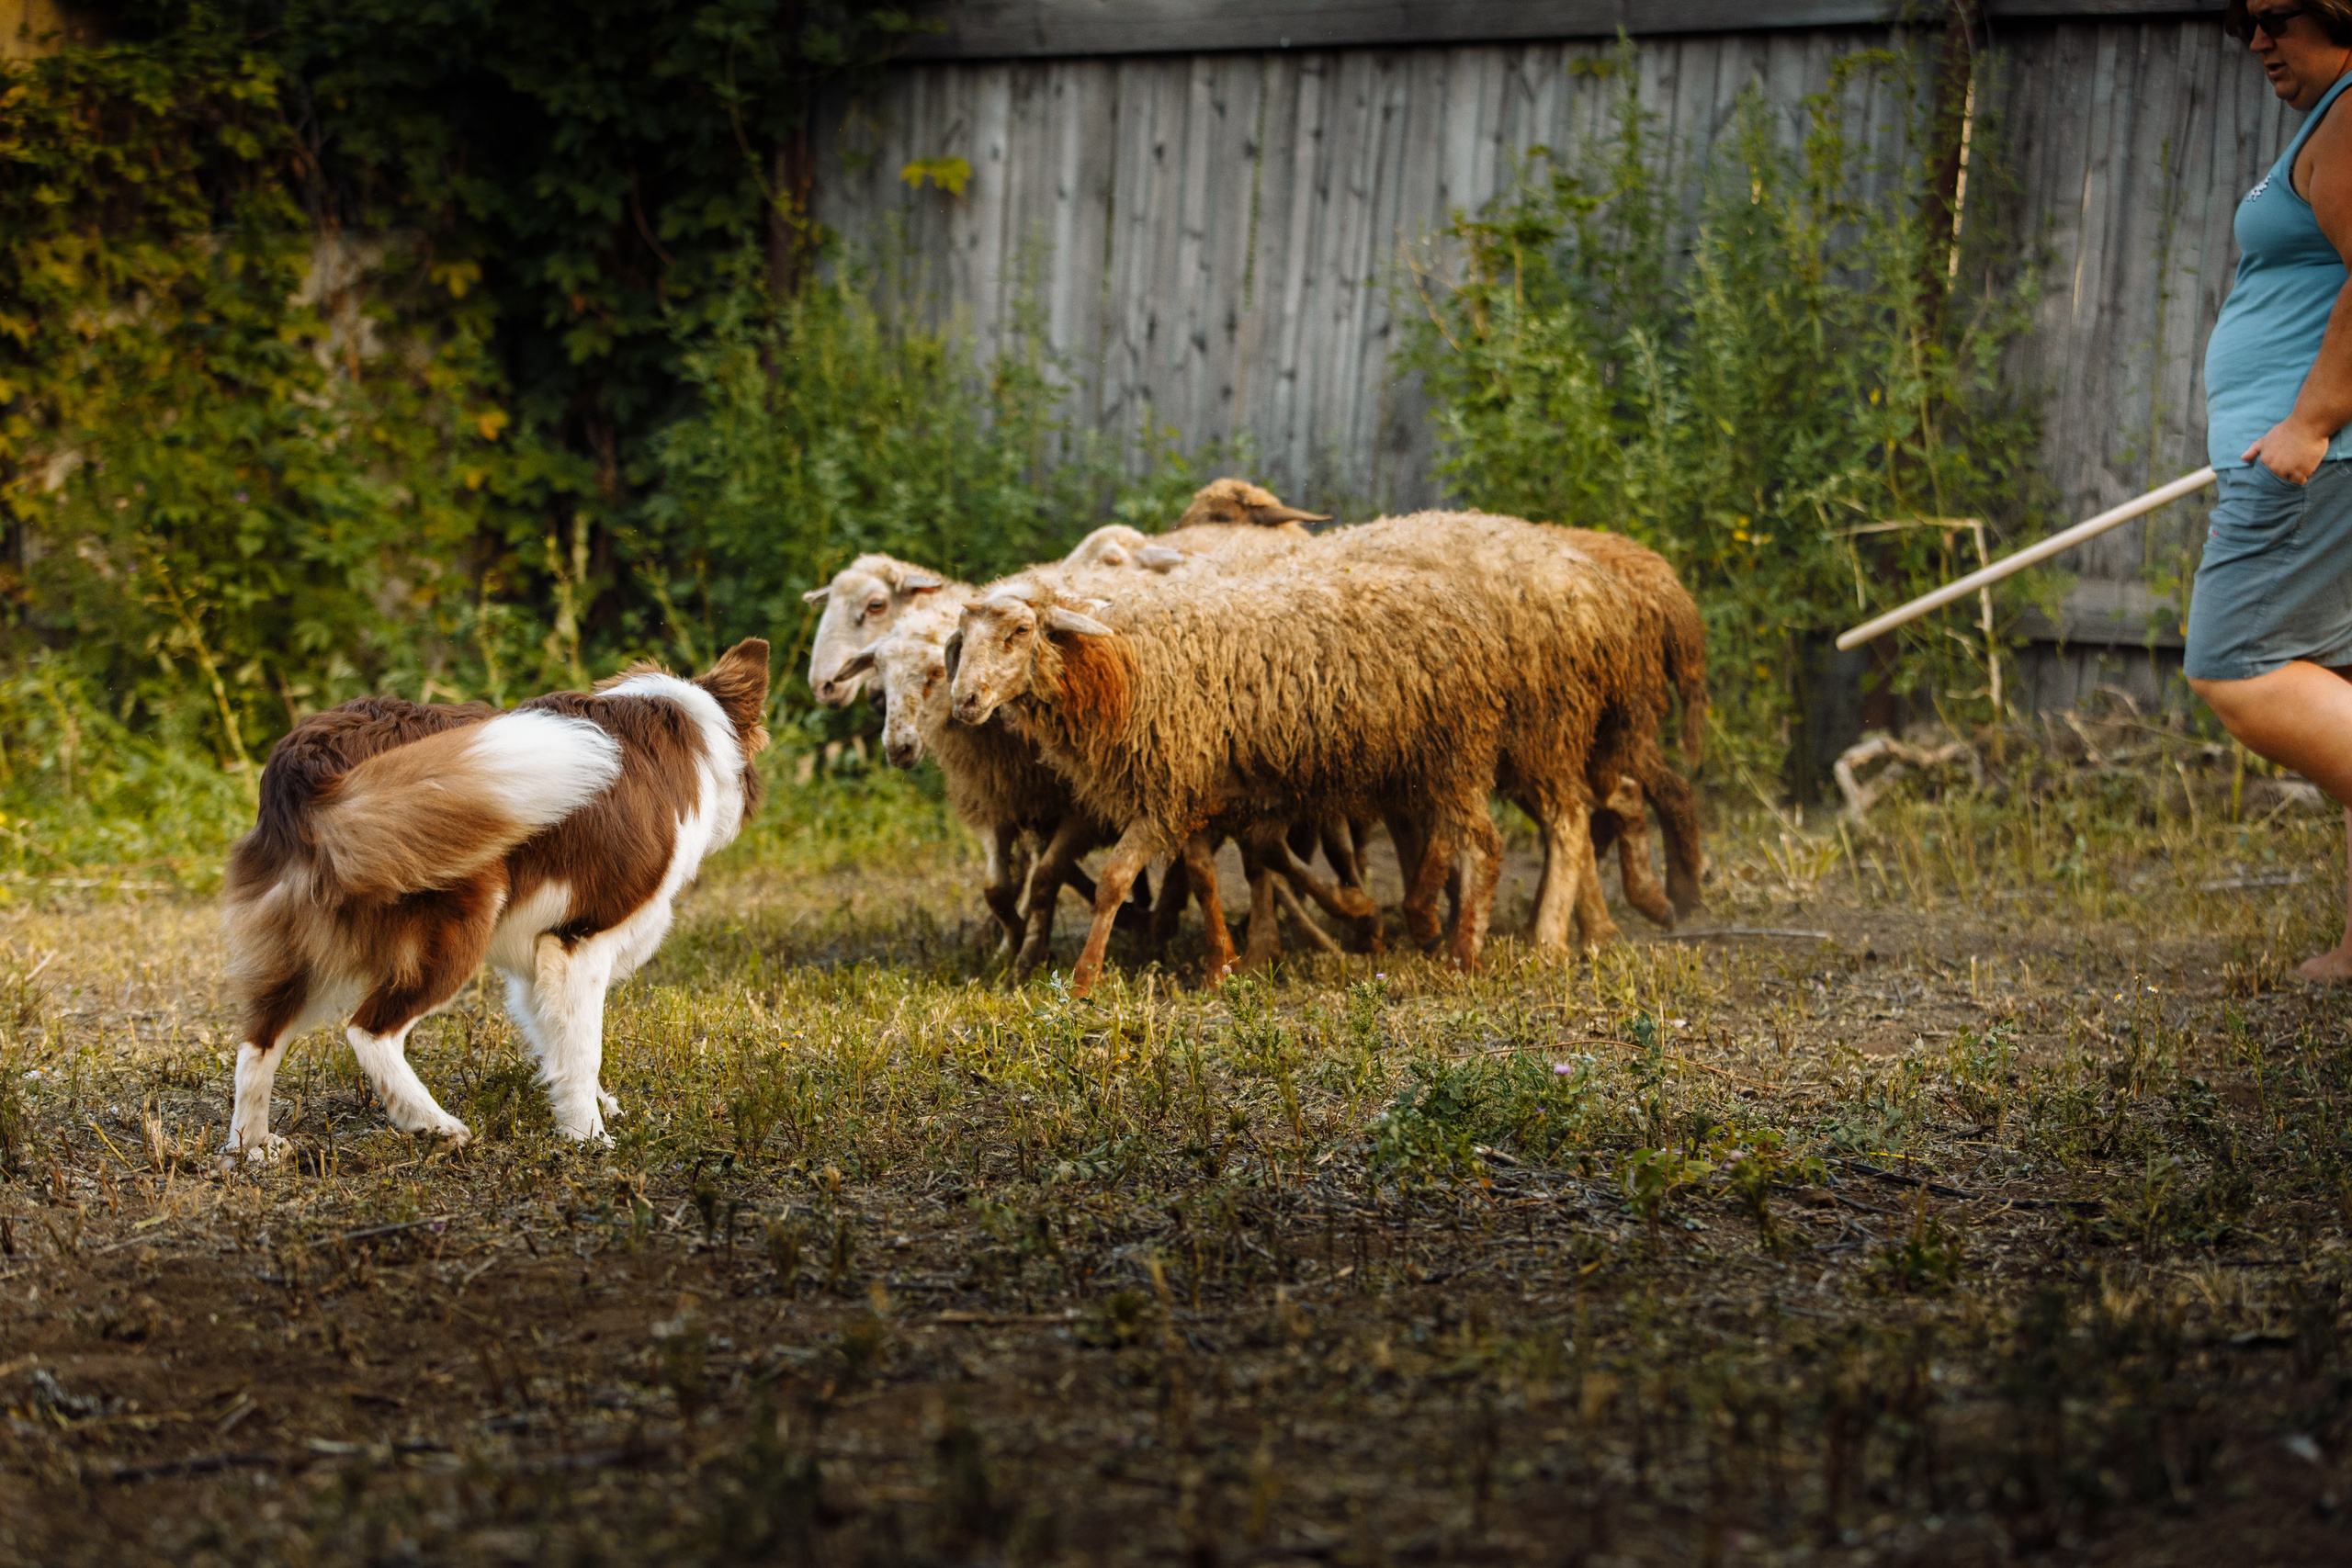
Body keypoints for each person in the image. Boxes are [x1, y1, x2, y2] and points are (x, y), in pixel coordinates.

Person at [2188, 0, 2352, 979]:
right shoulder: (2327, 112)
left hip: (2307, 463)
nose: (2253, 40)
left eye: (2272, 15)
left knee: (2235, 666)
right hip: (2308, 458)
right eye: (2236, 19)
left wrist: (2309, 421)